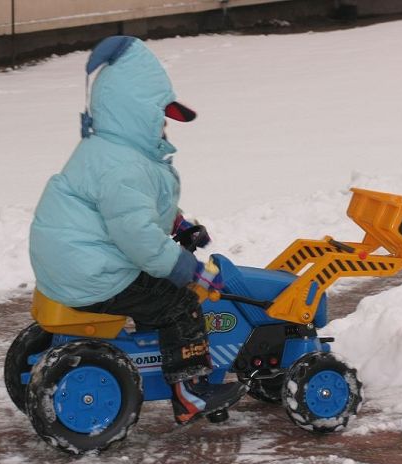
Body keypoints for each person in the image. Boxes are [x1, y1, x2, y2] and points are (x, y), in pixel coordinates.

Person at [29, 36, 246, 424]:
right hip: (94, 272)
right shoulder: (125, 166)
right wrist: (186, 269)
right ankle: (192, 392)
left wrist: (178, 223)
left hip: (72, 261)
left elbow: (135, 211)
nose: (164, 128)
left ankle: (157, 345)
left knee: (155, 290)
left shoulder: (109, 152)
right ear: (135, 114)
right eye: (160, 118)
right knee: (179, 303)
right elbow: (138, 238)